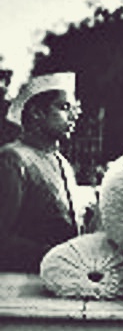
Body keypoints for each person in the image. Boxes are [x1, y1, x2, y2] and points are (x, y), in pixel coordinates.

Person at [0, 73, 82, 272]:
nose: (73, 116)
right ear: (37, 113)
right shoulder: (12, 159)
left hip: (60, 281)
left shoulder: (62, 163)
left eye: (73, 108)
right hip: (20, 288)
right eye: (64, 107)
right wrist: (55, 254)